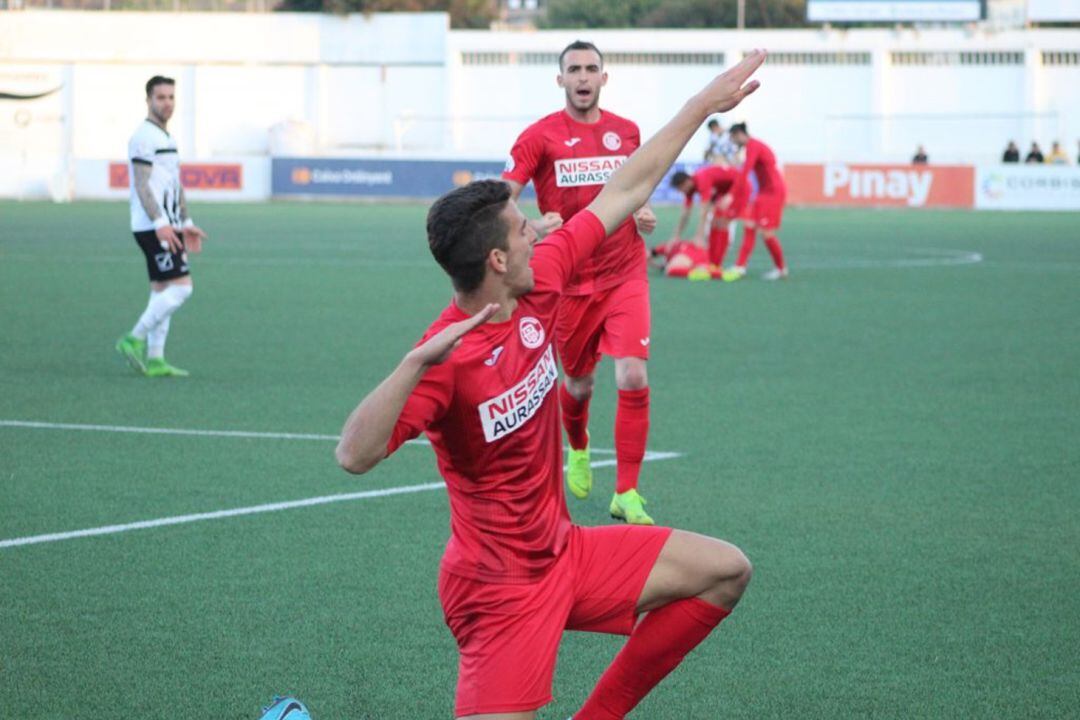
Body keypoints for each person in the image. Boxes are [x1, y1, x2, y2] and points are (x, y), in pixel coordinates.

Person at [336, 50, 766, 720]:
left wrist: (701, 106)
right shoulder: (444, 357)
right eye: (523, 227)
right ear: (499, 261)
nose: (541, 228)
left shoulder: (541, 282)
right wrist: (413, 364)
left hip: (566, 555)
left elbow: (621, 192)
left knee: (724, 570)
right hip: (497, 592)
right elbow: (353, 455)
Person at [501, 41, 658, 525]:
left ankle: (627, 492)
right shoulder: (538, 137)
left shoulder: (627, 132)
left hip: (625, 270)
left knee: (632, 373)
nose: (584, 77)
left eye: (592, 69)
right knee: (579, 383)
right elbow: (500, 200)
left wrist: (644, 210)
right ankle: (579, 444)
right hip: (569, 282)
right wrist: (530, 225)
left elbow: (636, 188)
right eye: (575, 70)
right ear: (561, 79)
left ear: (604, 78)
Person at [115, 76, 207, 377]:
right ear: (148, 101)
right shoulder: (143, 137)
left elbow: (174, 183)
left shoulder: (167, 138)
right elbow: (142, 185)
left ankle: (155, 359)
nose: (167, 103)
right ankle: (133, 338)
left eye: (171, 97)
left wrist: (186, 222)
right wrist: (160, 224)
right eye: (161, 97)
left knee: (163, 289)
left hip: (168, 224)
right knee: (182, 288)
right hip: (151, 226)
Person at [722, 122, 788, 282]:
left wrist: (731, 195)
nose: (733, 143)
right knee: (749, 226)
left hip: (773, 193)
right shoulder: (751, 146)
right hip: (763, 193)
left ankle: (781, 269)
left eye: (733, 138)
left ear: (739, 134)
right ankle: (740, 266)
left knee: (766, 233)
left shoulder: (754, 146)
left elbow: (745, 171)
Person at [668, 163, 749, 276]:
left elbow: (704, 211)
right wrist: (676, 236)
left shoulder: (702, 179)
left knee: (722, 222)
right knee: (715, 222)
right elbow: (685, 214)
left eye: (680, 189)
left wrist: (699, 236)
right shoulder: (690, 189)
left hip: (740, 188)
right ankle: (712, 262)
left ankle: (716, 264)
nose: (681, 192)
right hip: (725, 191)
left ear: (686, 182)